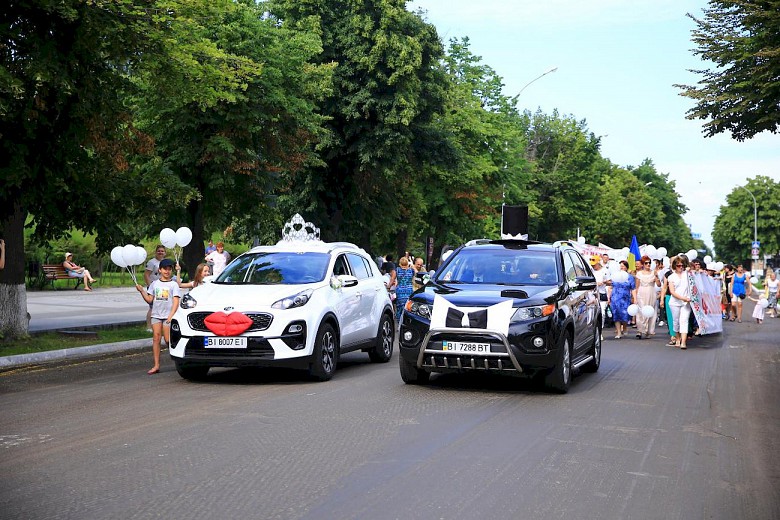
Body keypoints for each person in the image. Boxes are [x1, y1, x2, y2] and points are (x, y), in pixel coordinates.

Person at [135, 258, 181, 375]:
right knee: (156, 338)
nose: (167, 271)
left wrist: (171, 316)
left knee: (167, 339)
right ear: (160, 270)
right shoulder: (155, 284)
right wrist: (142, 291)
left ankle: (179, 360)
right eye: (165, 269)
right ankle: (156, 365)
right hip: (156, 314)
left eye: (169, 269)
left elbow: (176, 301)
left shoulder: (173, 285)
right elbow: (150, 299)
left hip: (168, 316)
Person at [668, 255, 692, 349]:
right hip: (675, 302)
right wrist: (682, 298)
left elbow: (696, 272)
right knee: (676, 321)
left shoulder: (688, 274)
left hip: (686, 303)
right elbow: (672, 292)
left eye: (682, 265)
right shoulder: (671, 277)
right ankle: (677, 338)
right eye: (678, 265)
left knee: (684, 320)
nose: (680, 267)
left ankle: (683, 342)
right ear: (674, 266)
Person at [633, 255, 660, 339]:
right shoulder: (639, 274)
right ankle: (640, 330)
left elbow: (659, 284)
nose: (648, 264)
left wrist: (656, 276)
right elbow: (636, 286)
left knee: (650, 311)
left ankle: (648, 331)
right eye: (646, 263)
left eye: (649, 263)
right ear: (643, 264)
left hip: (651, 292)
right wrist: (635, 298)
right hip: (641, 292)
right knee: (641, 311)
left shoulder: (653, 273)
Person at [607, 260, 635, 339]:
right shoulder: (615, 276)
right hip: (615, 297)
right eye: (620, 266)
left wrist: (634, 298)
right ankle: (618, 332)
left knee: (625, 314)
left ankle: (625, 327)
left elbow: (633, 288)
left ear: (626, 267)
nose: (622, 267)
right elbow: (610, 286)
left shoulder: (630, 277)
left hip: (625, 298)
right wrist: (608, 297)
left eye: (623, 266)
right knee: (616, 314)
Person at [144, 245, 167, 331]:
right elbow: (146, 275)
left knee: (161, 307)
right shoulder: (152, 262)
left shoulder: (165, 262)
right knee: (152, 307)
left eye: (162, 251)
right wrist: (150, 286)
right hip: (153, 287)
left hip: (163, 287)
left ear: (165, 253)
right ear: (156, 252)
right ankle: (149, 326)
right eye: (159, 251)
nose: (160, 252)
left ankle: (159, 326)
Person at [590, 256, 610, 331]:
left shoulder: (605, 271)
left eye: (594, 265)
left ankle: (600, 329)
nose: (593, 266)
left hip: (602, 293)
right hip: (592, 294)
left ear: (598, 263)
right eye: (592, 265)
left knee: (602, 312)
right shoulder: (591, 271)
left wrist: (604, 282)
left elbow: (610, 282)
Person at [394, 255, 415, 322]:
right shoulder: (411, 270)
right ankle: (407, 321)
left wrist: (388, 286)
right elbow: (416, 273)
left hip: (400, 291)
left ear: (400, 263)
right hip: (409, 290)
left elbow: (392, 279)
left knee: (400, 307)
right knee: (408, 307)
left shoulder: (397, 270)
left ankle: (399, 322)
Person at [659, 269, 676, 346]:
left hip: (682, 297)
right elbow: (664, 287)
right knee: (670, 317)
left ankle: (681, 336)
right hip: (670, 296)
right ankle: (673, 336)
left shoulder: (685, 273)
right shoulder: (668, 274)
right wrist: (662, 299)